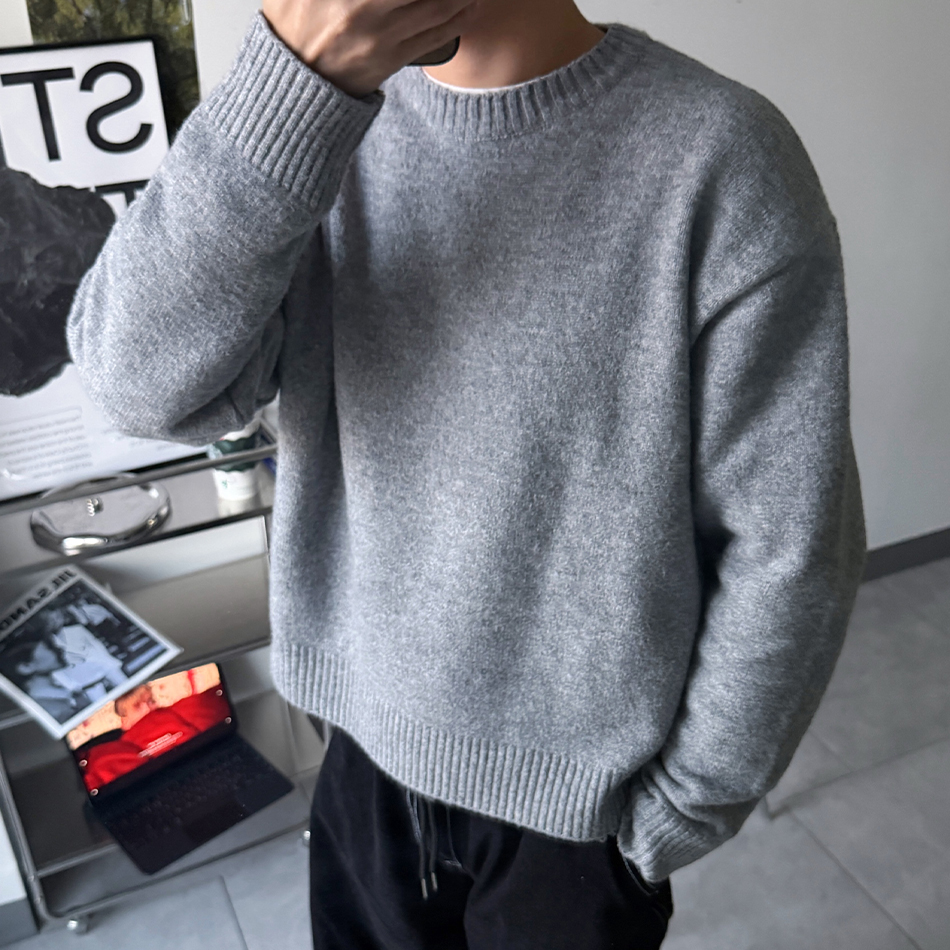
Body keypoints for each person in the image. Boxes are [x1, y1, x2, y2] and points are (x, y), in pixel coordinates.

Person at [66, 0, 867, 945]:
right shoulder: (304, 125)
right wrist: (290, 89)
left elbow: (791, 543)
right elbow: (136, 387)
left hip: (576, 821)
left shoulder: (719, 153)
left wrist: (680, 809)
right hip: (361, 762)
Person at [77, 682, 231, 792]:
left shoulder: (172, 711)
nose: (148, 708)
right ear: (124, 723)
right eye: (137, 706)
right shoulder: (114, 746)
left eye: (151, 701)